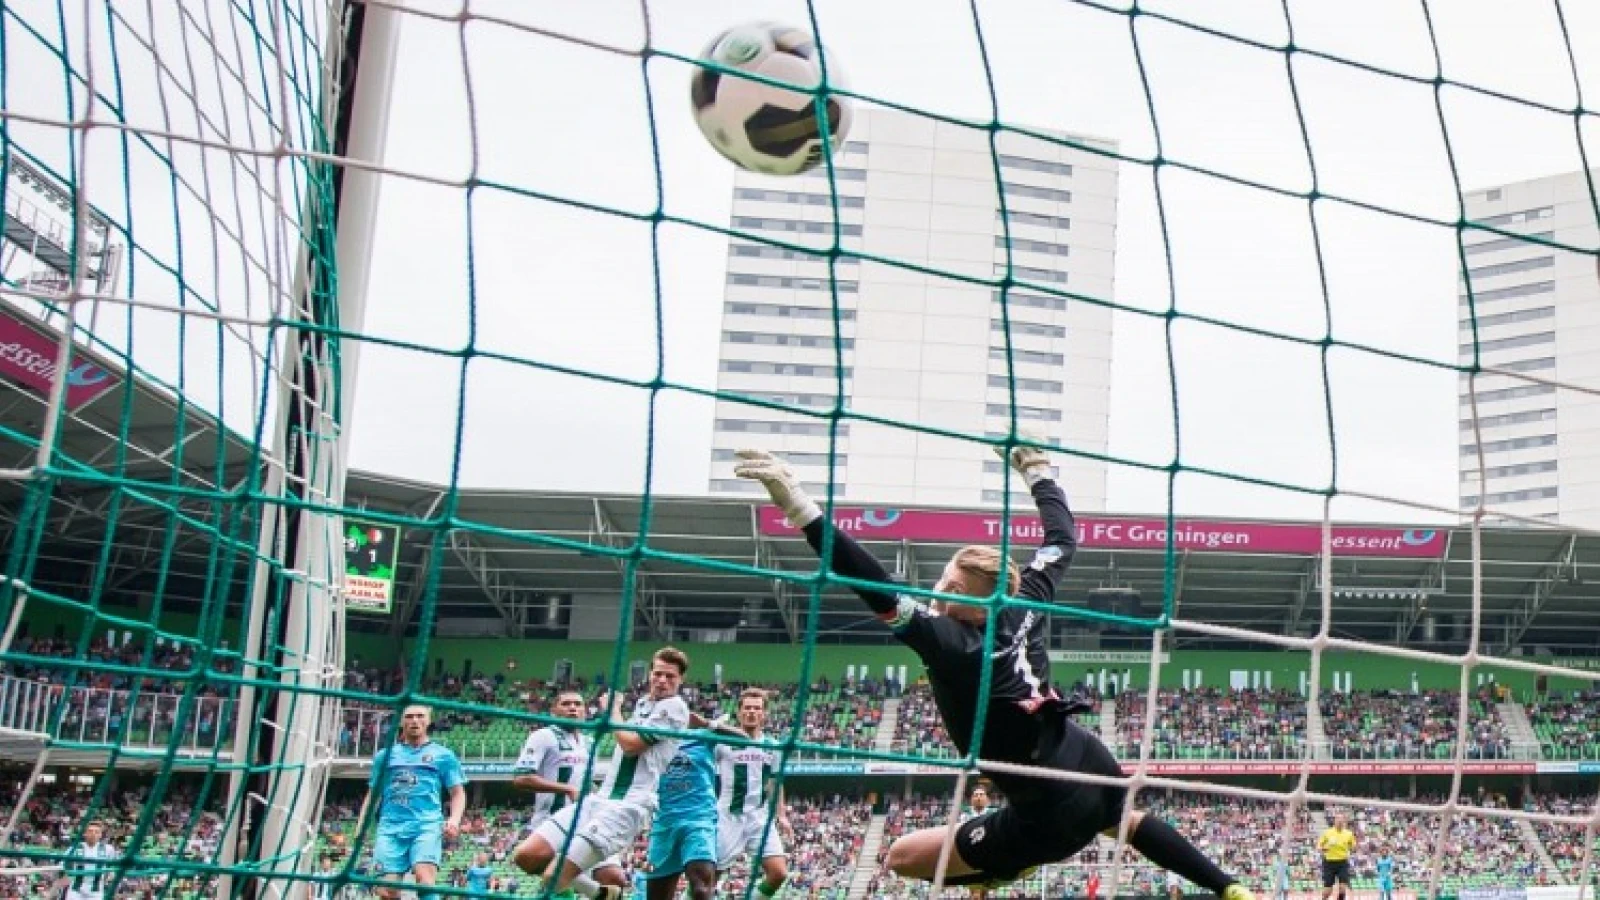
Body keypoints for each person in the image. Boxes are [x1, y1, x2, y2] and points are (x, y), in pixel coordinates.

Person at [735, 443, 1254, 899]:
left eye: (954, 591)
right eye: (943, 579)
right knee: (1128, 821)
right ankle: (1230, 887)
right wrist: (1041, 474)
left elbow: (874, 583)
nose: (940, 592)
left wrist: (800, 507)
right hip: (1087, 758)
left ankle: (1002, 867)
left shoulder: (954, 645)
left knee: (900, 856)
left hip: (1044, 816)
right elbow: (1061, 540)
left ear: (980, 607)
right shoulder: (1025, 602)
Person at [538, 647, 693, 900]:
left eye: (670, 676)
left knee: (552, 877)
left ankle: (602, 894)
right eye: (658, 674)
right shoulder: (645, 704)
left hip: (627, 805)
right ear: (650, 674)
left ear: (680, 680)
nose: (662, 680)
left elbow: (631, 747)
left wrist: (613, 711)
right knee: (529, 856)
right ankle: (603, 893)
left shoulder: (674, 707)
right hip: (601, 798)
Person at [356, 705, 467, 900]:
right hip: (390, 827)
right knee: (387, 891)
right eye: (409, 716)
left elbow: (457, 792)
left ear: (428, 721)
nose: (414, 720)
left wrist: (454, 820)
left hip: (426, 825)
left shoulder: (444, 755)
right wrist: (361, 826)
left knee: (425, 880)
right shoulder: (385, 756)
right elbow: (373, 794)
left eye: (420, 716)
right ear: (401, 722)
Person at [640, 722, 745, 900]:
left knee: (701, 890)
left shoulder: (702, 736)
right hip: (664, 823)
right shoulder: (652, 737)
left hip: (699, 820)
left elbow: (744, 741)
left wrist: (708, 723)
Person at [715, 688, 793, 899]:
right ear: (739, 712)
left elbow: (775, 782)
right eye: (747, 707)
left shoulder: (773, 747)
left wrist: (782, 815)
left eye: (757, 708)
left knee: (778, 873)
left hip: (759, 818)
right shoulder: (722, 744)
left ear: (764, 714)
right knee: (709, 877)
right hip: (728, 817)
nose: (751, 712)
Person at [54, 820, 116, 900]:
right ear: (85, 833)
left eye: (96, 832)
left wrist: (106, 879)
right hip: (76, 890)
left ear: (100, 835)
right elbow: (63, 866)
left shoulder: (108, 849)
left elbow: (111, 869)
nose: (93, 834)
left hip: (96, 891)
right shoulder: (74, 848)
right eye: (90, 831)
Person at [1316, 812, 1355, 900]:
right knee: (1328, 892)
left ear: (1344, 821)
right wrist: (1322, 849)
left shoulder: (1349, 834)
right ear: (1334, 821)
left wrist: (1352, 849)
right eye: (1338, 819)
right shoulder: (1327, 833)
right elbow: (1318, 846)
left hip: (1342, 863)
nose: (1340, 821)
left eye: (1342, 819)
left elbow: (1353, 846)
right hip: (1329, 863)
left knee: (1342, 888)